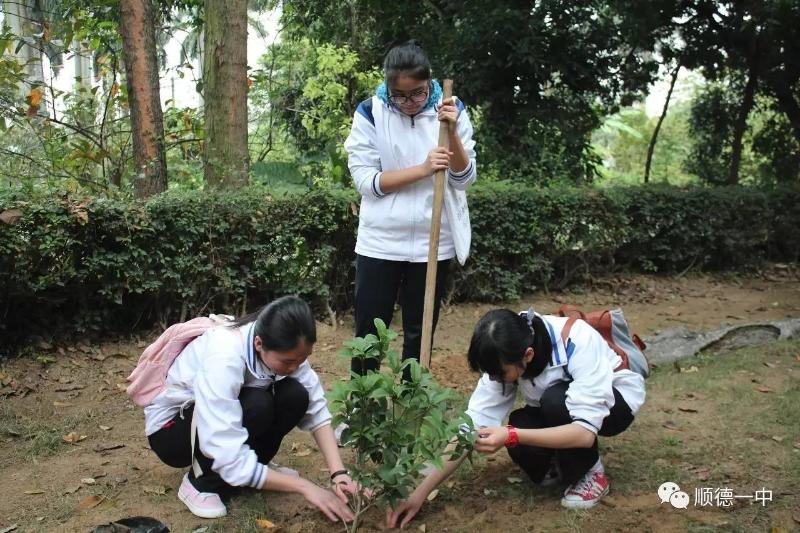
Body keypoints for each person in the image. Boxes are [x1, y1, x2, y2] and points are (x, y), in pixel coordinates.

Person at [387, 308, 646, 527]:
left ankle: (591, 474)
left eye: (500, 374)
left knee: (553, 402)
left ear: (528, 355)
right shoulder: (505, 352)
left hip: (616, 403)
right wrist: (419, 493)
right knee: (521, 422)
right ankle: (562, 464)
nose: (494, 380)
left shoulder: (577, 341)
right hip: (561, 405)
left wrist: (510, 435)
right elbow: (470, 428)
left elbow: (584, 433)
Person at [143, 296, 356, 522]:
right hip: (172, 431)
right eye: (287, 362)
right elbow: (225, 447)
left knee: (295, 394)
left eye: (301, 360)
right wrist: (304, 487)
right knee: (258, 404)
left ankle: (257, 467)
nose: (295, 368)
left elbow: (317, 410)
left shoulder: (285, 349)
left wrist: (339, 474)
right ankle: (201, 482)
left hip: (220, 416)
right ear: (258, 344)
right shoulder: (224, 354)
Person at [343, 40, 477, 378]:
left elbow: (463, 179)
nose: (410, 104)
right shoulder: (370, 111)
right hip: (380, 242)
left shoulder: (452, 108)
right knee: (368, 335)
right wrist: (423, 168)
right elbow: (366, 181)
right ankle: (363, 410)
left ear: (429, 81)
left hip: (434, 243)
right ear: (388, 85)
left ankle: (410, 403)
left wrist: (453, 132)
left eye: (417, 94)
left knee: (420, 335)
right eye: (400, 96)